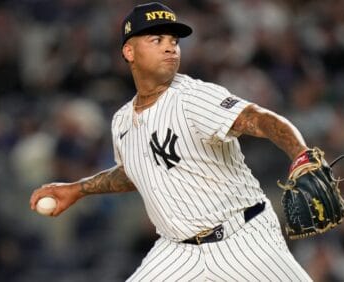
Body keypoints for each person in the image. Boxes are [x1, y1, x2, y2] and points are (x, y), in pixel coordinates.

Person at [30, 2, 312, 281]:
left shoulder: (193, 97)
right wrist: (78, 190)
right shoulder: (122, 121)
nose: (170, 47)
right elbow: (136, 171)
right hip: (177, 252)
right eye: (156, 39)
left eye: (174, 41)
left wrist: (301, 156)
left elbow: (259, 119)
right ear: (129, 51)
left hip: (243, 238)